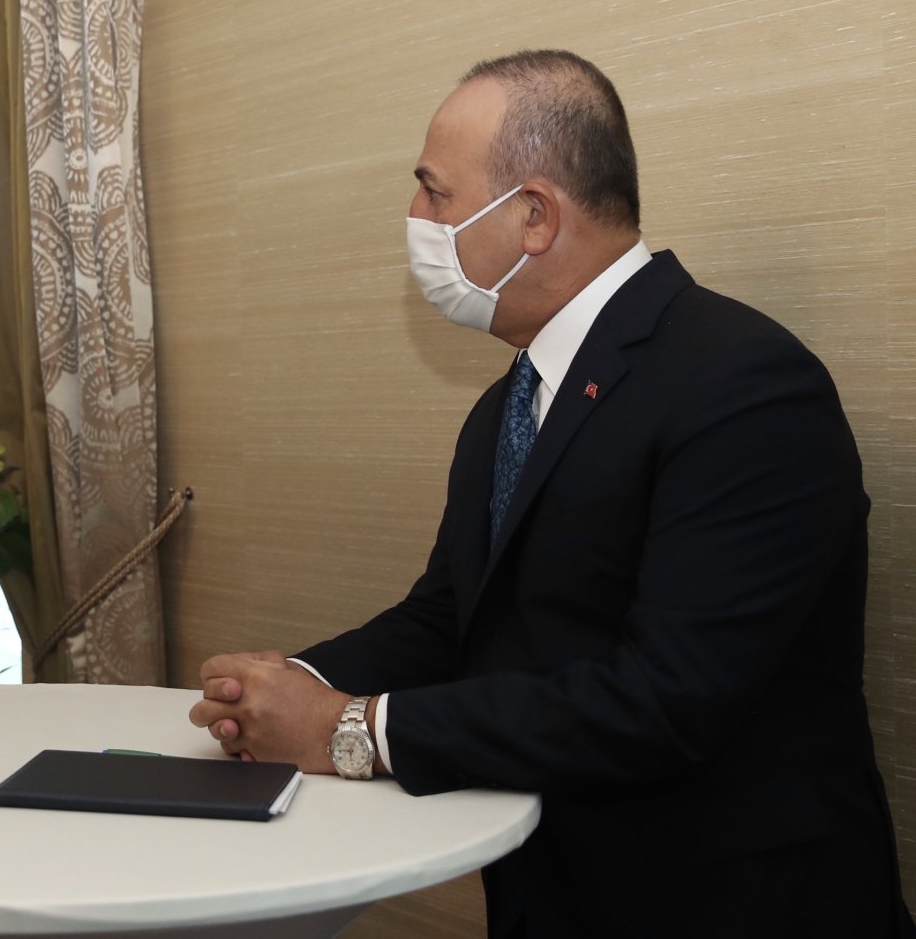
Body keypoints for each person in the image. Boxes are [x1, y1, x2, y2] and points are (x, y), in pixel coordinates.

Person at [189, 50, 913, 937]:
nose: (415, 218)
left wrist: (354, 729)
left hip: (727, 905)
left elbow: (667, 699)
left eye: (434, 193)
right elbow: (454, 615)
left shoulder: (745, 382)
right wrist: (293, 682)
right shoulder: (514, 400)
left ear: (532, 216)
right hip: (556, 890)